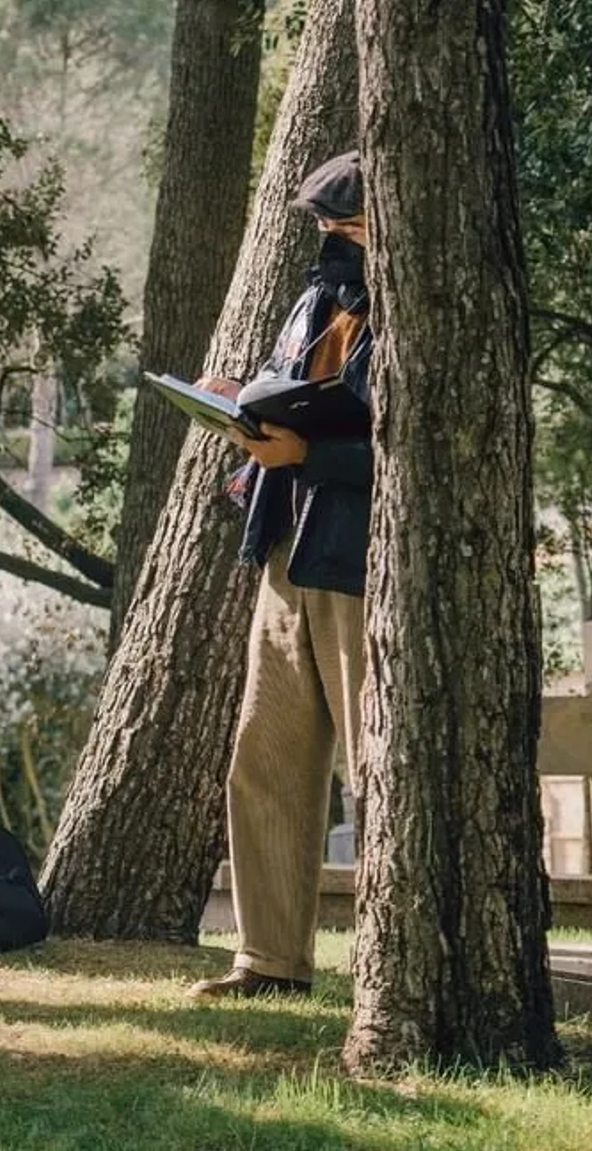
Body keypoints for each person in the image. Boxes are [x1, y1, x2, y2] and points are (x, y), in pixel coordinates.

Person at [189, 150, 374, 1000]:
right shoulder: (313, 302)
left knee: (380, 771)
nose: (333, 238)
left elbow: (417, 453)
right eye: (325, 225)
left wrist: (315, 455)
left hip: (361, 563)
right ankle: (267, 961)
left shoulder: (424, 309)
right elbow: (285, 390)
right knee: (264, 760)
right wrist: (240, 402)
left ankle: (394, 962)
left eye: (349, 223)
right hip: (284, 550)